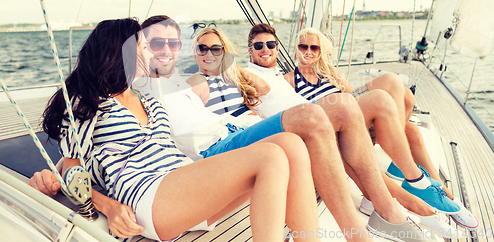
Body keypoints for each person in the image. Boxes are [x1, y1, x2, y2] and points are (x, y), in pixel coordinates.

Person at [31, 16, 433, 242]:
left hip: (183, 184)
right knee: (273, 154)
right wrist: (108, 205)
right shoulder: (88, 106)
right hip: (149, 198)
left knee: (291, 145)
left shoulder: (148, 98)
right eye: (139, 46)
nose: (146, 52)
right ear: (113, 52)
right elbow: (71, 166)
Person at [284, 27, 478, 230]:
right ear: (296, 49)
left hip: (351, 116)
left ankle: (438, 188)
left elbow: (351, 95)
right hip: (332, 127)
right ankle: (410, 174)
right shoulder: (290, 80)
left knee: (407, 104)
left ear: (320, 51)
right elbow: (297, 116)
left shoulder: (328, 73)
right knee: (391, 81)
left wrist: (332, 72)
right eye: (303, 46)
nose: (308, 51)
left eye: (314, 47)